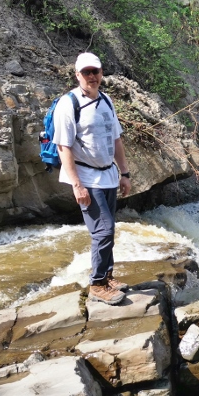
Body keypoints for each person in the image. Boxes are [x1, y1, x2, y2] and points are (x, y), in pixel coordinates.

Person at [53, 52, 132, 305]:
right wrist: (77, 185)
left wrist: (124, 173)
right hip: (86, 177)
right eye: (86, 72)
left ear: (101, 73)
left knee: (109, 230)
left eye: (95, 71)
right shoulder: (68, 104)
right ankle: (97, 284)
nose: (91, 76)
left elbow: (116, 139)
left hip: (108, 175)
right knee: (103, 230)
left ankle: (107, 276)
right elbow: (63, 147)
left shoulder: (106, 100)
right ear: (77, 75)